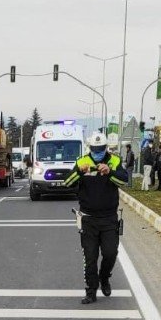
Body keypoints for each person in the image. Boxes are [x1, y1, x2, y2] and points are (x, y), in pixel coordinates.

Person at [63, 131, 130, 305]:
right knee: (90, 257)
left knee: (110, 253)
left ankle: (104, 277)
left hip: (109, 218)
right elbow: (67, 183)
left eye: (100, 149)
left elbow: (124, 181)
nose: (97, 152)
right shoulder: (82, 161)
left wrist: (109, 172)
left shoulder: (114, 161)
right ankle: (91, 291)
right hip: (88, 218)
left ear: (106, 147)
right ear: (90, 147)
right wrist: (79, 172)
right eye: (94, 148)